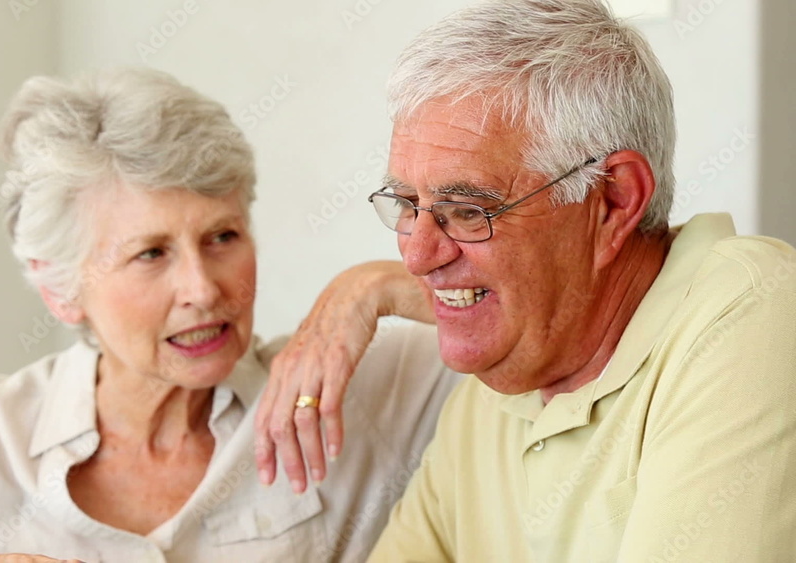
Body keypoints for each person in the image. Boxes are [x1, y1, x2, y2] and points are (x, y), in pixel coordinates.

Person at [0, 69, 461, 563]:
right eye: (151, 253)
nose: (202, 288)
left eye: (223, 237)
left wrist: (367, 288)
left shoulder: (359, 386)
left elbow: (537, 311)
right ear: (61, 289)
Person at [255, 0, 796, 560]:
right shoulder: (495, 387)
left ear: (613, 201)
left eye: (467, 210)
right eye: (407, 204)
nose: (417, 257)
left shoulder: (756, 317)